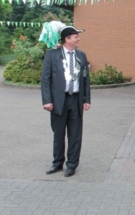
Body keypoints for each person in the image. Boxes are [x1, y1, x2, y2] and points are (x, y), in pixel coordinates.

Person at [41, 25, 91, 177]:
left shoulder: (81, 55)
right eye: (76, 37)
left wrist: (86, 99)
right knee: (58, 134)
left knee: (75, 135)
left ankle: (72, 165)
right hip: (58, 101)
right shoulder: (52, 55)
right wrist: (47, 101)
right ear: (67, 39)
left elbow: (86, 78)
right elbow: (45, 79)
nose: (78, 39)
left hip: (75, 99)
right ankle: (57, 163)